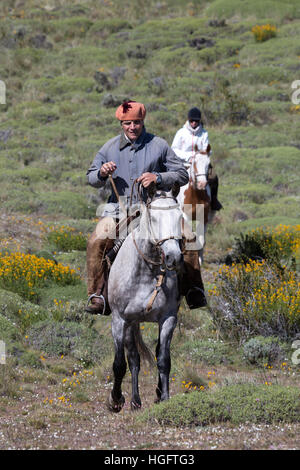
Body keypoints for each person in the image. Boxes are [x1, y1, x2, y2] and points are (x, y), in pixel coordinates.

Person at [85, 100, 207, 315]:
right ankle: (97, 295)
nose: (132, 127)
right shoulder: (109, 147)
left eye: (137, 122)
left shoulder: (158, 145)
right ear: (121, 124)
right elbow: (91, 178)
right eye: (128, 123)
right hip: (119, 210)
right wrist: (102, 172)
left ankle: (194, 290)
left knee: (189, 236)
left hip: (156, 208)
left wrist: (158, 177)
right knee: (95, 242)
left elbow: (181, 173)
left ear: (143, 122)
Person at [171, 107, 222, 211]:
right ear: (188, 120)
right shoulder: (181, 132)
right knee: (171, 178)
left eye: (196, 121)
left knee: (214, 177)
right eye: (191, 121)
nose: (194, 123)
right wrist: (190, 156)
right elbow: (174, 149)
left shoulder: (204, 133)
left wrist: (200, 156)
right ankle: (171, 201)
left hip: (200, 163)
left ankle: (214, 201)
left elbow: (207, 148)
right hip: (183, 163)